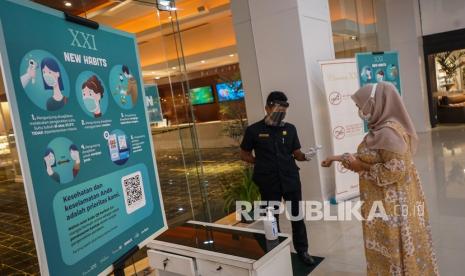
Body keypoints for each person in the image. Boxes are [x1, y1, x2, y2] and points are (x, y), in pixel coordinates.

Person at [321, 82, 439, 275]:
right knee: (384, 251)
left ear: (375, 103)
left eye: (361, 105)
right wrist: (335, 158)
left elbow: (396, 170)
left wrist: (360, 167)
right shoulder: (380, 130)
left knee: (392, 251)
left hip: (392, 207)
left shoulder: (389, 132)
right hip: (381, 202)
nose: (359, 110)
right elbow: (369, 157)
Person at [240, 91, 316, 266]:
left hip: (290, 179)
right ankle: (275, 251)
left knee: (297, 217)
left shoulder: (290, 129)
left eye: (283, 109)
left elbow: (296, 153)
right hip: (268, 181)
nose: (280, 112)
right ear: (267, 108)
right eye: (276, 108)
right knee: (271, 217)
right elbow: (244, 154)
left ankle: (302, 251)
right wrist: (259, 163)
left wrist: (306, 156)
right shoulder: (254, 130)